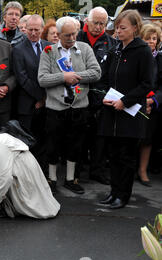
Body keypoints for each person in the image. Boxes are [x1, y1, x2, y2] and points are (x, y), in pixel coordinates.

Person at [38, 16, 101, 195]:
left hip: (79, 106)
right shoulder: (48, 52)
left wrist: (75, 76)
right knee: (52, 145)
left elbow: (96, 73)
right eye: (67, 35)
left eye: (74, 34)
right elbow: (42, 79)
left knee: (76, 144)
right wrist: (63, 77)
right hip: (55, 108)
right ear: (57, 35)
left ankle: (71, 179)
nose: (72, 38)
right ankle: (52, 179)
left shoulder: (85, 48)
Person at [97, 10, 153, 209]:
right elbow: (104, 78)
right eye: (117, 28)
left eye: (123, 28)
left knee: (126, 156)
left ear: (135, 28)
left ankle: (123, 195)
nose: (118, 31)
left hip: (130, 112)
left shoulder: (143, 51)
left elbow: (147, 83)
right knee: (112, 155)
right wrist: (104, 95)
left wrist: (125, 101)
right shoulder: (115, 50)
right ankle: (113, 192)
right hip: (111, 111)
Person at [76, 7, 118, 186]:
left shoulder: (111, 43)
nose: (99, 27)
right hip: (78, 94)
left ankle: (97, 170)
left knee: (100, 137)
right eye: (96, 23)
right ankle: (75, 171)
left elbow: (112, 72)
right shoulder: (76, 37)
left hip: (101, 97)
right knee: (78, 136)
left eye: (103, 23)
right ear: (87, 21)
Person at [12, 15, 52, 172]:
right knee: (26, 142)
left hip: (48, 102)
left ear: (42, 29)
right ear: (25, 29)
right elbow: (22, 78)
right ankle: (26, 173)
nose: (33, 33)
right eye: (30, 29)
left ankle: (42, 173)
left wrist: (44, 98)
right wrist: (39, 97)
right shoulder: (18, 49)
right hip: (27, 104)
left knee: (44, 140)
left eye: (37, 29)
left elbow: (53, 73)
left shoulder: (50, 47)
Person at [136, 23, 162, 187]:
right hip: (134, 103)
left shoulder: (160, 59)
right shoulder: (135, 56)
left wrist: (153, 100)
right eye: (148, 38)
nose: (151, 41)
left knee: (148, 140)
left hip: (153, 106)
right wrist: (139, 101)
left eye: (154, 39)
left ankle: (143, 170)